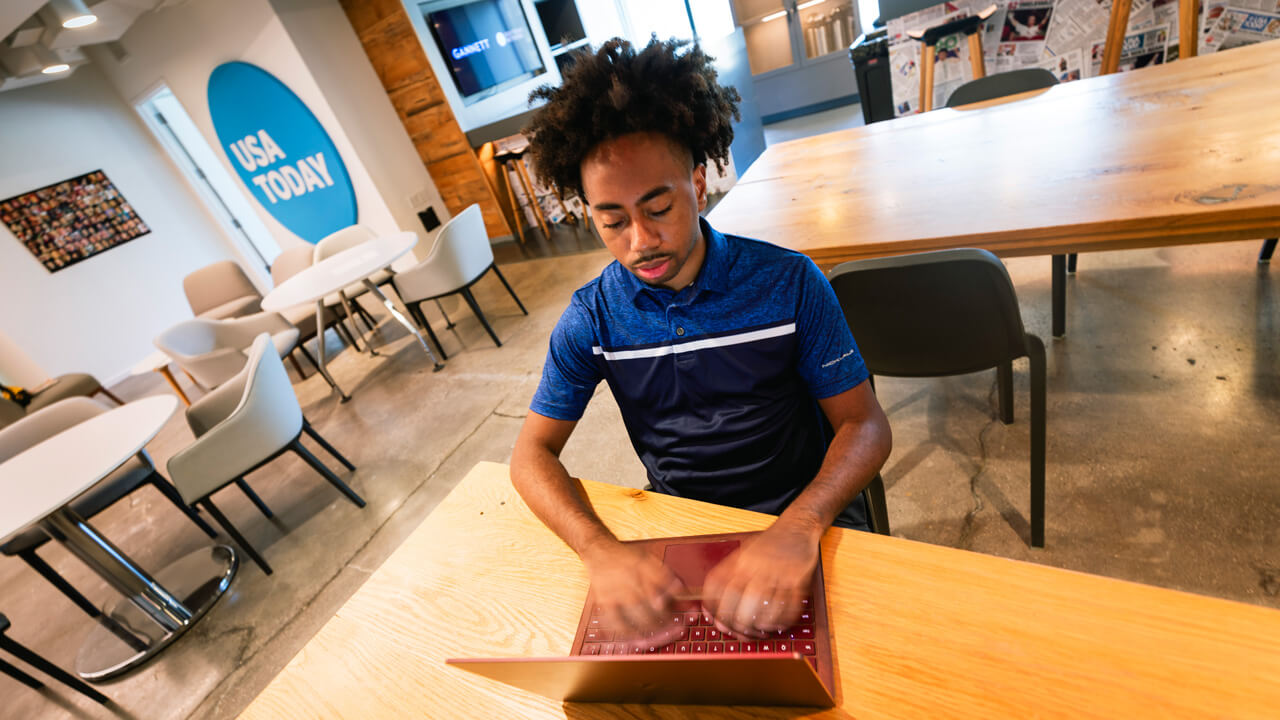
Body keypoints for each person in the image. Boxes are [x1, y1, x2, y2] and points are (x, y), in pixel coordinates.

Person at [511, 37, 892, 645]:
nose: (640, 240)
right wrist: (598, 549)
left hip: (806, 514)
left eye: (658, 207)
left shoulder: (789, 283)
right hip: (687, 529)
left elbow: (865, 425)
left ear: (699, 180)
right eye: (612, 221)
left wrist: (802, 524)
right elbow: (531, 457)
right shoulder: (593, 319)